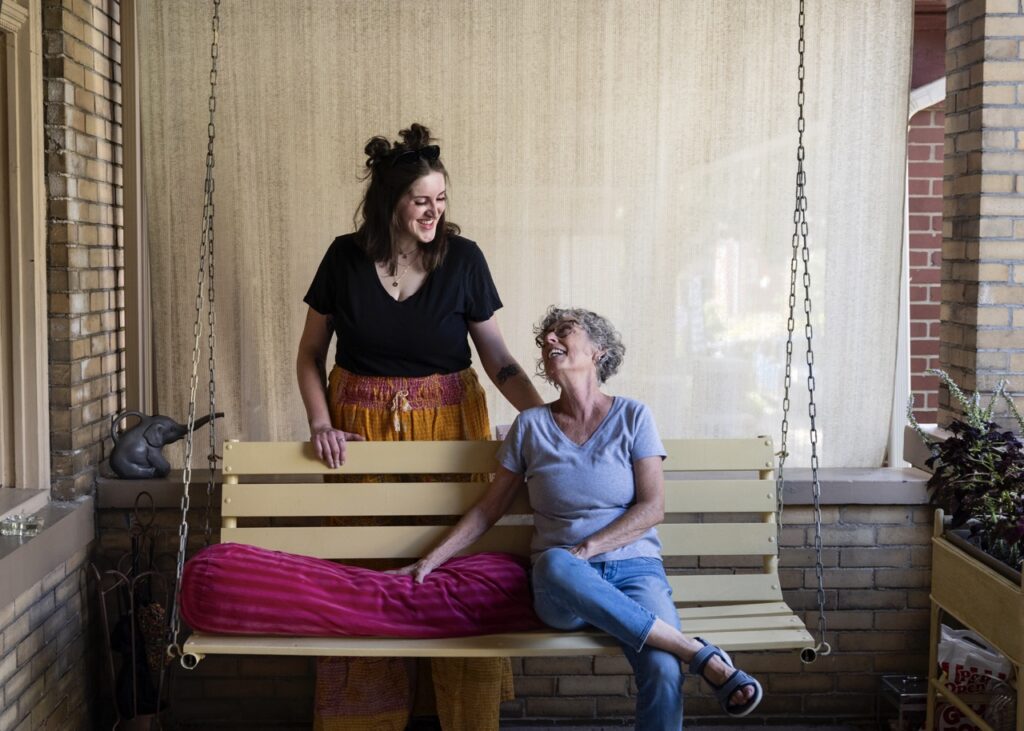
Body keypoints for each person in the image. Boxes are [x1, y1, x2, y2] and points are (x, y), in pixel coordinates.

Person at [396, 306, 764, 730]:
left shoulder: (634, 416)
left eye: (563, 332)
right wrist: (431, 559)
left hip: (635, 571)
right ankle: (700, 654)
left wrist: (589, 548)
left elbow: (652, 508)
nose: (550, 340)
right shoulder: (530, 426)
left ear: (598, 351)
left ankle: (679, 652)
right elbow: (488, 509)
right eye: (545, 338)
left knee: (663, 670)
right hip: (562, 588)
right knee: (554, 561)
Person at [296, 123, 543, 731]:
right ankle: (365, 719)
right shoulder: (342, 258)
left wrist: (540, 417)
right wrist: (321, 423)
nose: (435, 212)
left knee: (454, 563)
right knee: (366, 567)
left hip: (450, 429)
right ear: (390, 203)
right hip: (358, 433)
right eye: (421, 200)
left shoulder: (464, 259)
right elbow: (309, 355)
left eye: (441, 200)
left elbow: (499, 360)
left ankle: (464, 716)